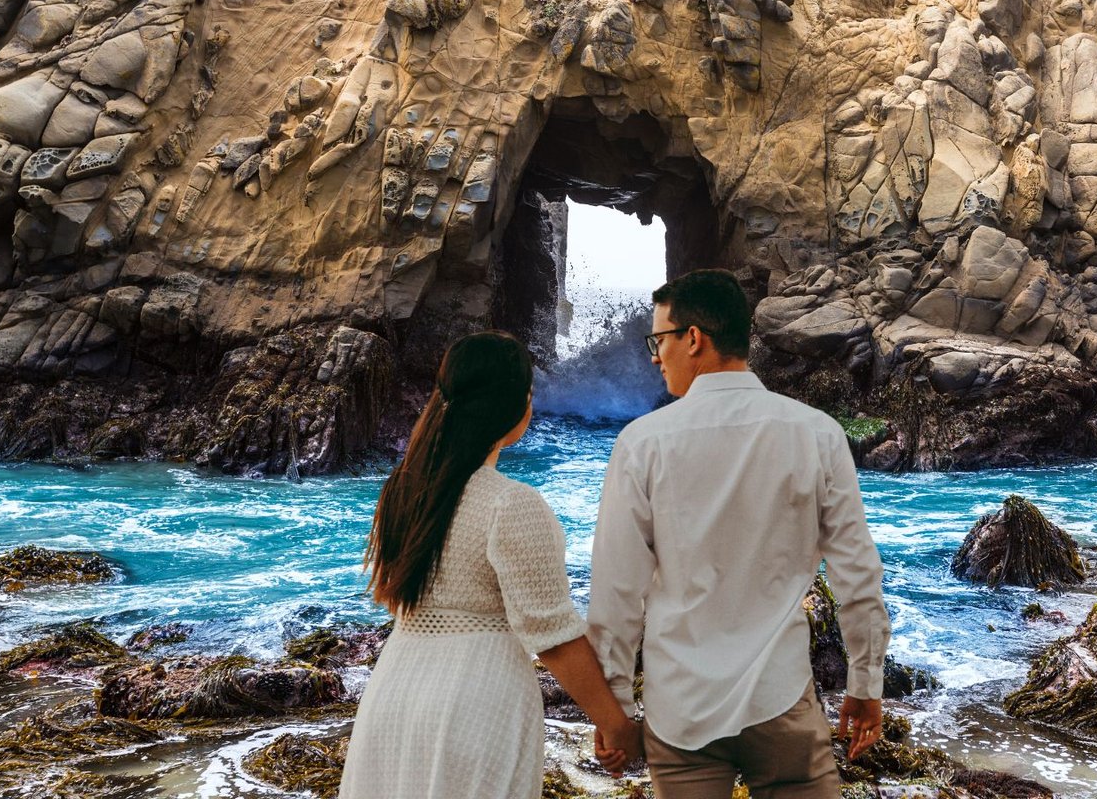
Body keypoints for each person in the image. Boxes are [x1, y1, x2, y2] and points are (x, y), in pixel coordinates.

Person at [588, 270, 892, 798]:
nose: (655, 357)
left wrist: (614, 708)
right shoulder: (816, 432)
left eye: (658, 341)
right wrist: (866, 685)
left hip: (681, 708)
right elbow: (857, 572)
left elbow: (617, 590)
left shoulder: (642, 444)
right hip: (780, 699)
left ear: (693, 338)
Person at [339, 331, 641, 798]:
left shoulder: (401, 490)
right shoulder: (511, 505)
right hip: (477, 698)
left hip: (394, 692)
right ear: (516, 406)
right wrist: (615, 724)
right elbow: (552, 635)